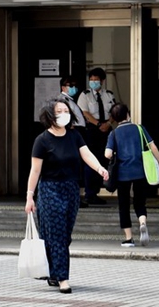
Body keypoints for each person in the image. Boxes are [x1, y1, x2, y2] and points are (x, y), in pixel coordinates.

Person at [24, 98, 109, 294]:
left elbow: (86, 154)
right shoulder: (42, 140)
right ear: (50, 116)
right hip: (49, 190)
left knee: (64, 235)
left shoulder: (74, 135)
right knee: (58, 236)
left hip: (71, 190)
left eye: (66, 110)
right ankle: (63, 278)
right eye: (59, 111)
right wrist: (30, 196)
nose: (64, 114)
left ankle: (52, 271)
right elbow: (35, 171)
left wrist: (99, 169)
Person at [104, 103, 159, 247]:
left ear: (114, 118)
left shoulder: (114, 134)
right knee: (140, 201)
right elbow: (152, 146)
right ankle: (142, 222)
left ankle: (129, 238)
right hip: (140, 172)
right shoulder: (139, 128)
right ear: (128, 114)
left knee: (123, 205)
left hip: (122, 174)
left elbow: (107, 154)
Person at [77, 67, 115, 205]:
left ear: (102, 81)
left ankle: (96, 192)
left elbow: (114, 112)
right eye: (91, 80)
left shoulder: (109, 95)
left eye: (96, 80)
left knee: (103, 160)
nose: (93, 82)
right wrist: (99, 124)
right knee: (91, 161)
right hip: (92, 130)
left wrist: (108, 124)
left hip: (106, 129)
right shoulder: (85, 95)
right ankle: (89, 193)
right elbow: (84, 112)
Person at [58, 76, 89, 208]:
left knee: (76, 167)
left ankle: (74, 197)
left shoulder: (70, 100)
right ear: (63, 87)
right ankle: (71, 198)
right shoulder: (62, 101)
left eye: (74, 85)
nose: (73, 88)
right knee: (71, 167)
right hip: (70, 134)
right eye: (70, 85)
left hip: (76, 133)